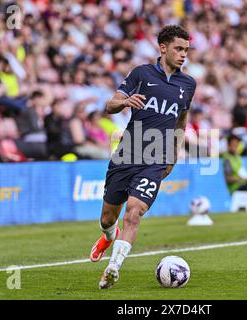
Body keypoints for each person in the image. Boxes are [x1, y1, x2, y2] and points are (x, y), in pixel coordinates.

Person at [89, 25, 196, 289]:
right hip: (127, 154)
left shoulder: (188, 84)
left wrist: (173, 153)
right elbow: (110, 104)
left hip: (156, 157)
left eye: (186, 50)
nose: (183, 55)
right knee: (107, 218)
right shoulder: (142, 73)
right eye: (178, 49)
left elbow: (181, 119)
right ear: (163, 48)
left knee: (134, 213)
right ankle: (107, 236)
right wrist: (125, 102)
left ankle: (113, 267)